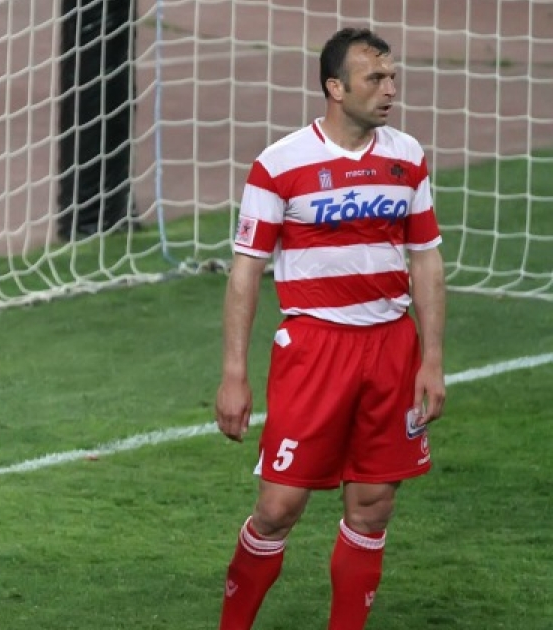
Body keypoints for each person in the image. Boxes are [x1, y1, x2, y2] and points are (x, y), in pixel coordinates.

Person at [213, 27, 446, 630]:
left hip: (391, 348)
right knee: (278, 507)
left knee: (373, 507)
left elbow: (425, 259)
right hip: (314, 349)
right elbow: (245, 273)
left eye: (392, 77)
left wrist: (432, 360)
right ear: (335, 88)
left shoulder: (407, 156)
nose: (390, 89)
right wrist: (234, 374)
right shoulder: (279, 164)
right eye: (375, 78)